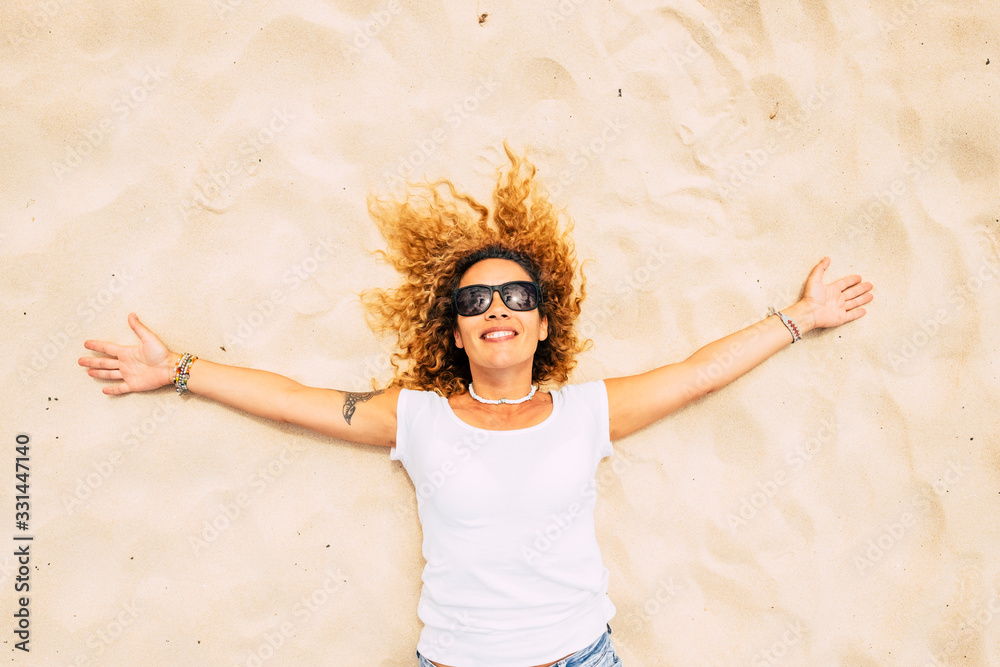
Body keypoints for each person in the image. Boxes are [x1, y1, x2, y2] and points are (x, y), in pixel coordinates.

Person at [79, 146, 873, 667]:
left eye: (516, 294)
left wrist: (802, 316)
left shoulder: (587, 411)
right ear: (456, 330)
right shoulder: (415, 416)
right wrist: (176, 368)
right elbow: (290, 401)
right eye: (477, 298)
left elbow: (698, 373)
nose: (498, 305)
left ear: (542, 319)